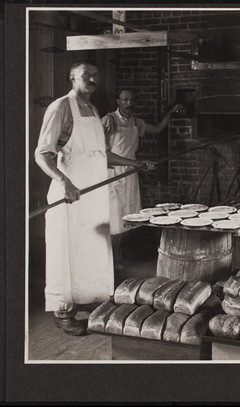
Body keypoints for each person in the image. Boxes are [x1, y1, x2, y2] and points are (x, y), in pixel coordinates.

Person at [34, 61, 152, 336]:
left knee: (89, 253)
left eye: (94, 75)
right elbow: (42, 153)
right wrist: (64, 182)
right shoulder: (61, 107)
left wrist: (136, 163)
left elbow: (103, 154)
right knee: (66, 253)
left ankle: (83, 301)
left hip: (93, 196)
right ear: (72, 78)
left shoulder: (93, 110)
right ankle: (63, 311)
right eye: (85, 74)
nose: (91, 79)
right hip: (71, 197)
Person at [102, 88, 182, 271]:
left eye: (131, 100)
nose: (129, 103)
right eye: (125, 100)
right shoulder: (109, 120)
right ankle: (112, 259)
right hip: (113, 175)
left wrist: (170, 111)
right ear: (118, 101)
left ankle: (119, 255)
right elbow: (105, 154)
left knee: (128, 215)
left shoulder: (136, 122)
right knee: (114, 218)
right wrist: (136, 163)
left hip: (130, 175)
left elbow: (158, 128)